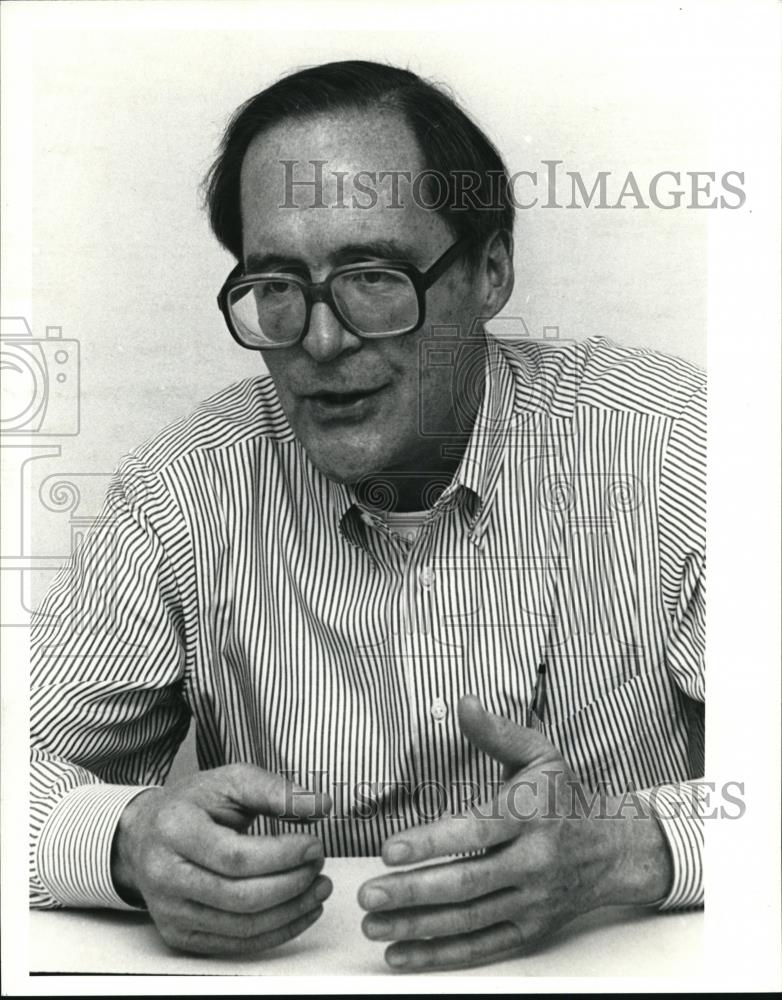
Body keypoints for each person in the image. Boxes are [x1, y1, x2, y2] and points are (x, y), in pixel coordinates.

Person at [30, 60, 705, 971]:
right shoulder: (182, 492)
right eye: (276, 284)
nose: (319, 340)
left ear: (491, 272)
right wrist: (125, 837)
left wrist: (633, 848)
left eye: (373, 276)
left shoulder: (673, 446)